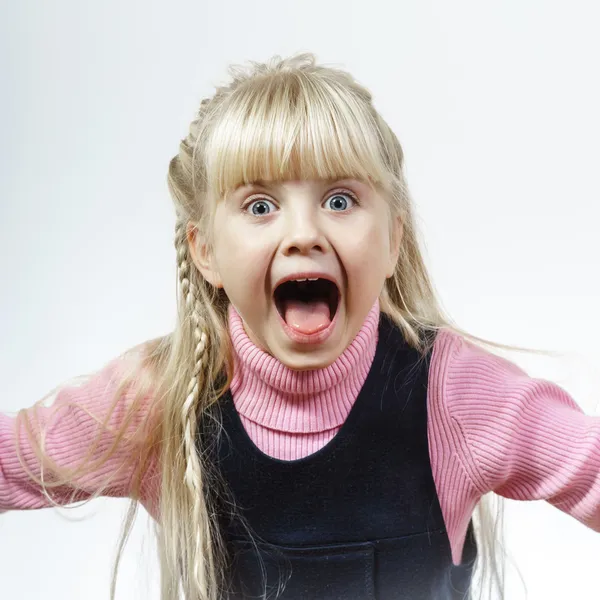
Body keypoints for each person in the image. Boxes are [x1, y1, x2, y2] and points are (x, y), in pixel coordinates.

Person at [1, 52, 599, 600]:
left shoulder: (452, 393)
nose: (304, 233)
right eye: (260, 207)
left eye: (339, 200)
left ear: (393, 239)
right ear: (205, 250)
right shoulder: (160, 396)